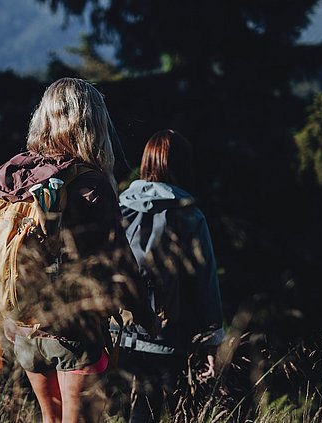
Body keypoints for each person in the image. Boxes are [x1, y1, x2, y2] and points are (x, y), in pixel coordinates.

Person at [0, 78, 154, 423]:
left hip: (24, 329)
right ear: (91, 122)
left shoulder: (21, 175)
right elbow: (118, 258)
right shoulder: (91, 184)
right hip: (75, 331)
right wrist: (144, 313)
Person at [118, 129, 224, 423]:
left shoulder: (120, 207)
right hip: (169, 336)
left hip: (120, 334)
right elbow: (205, 282)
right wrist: (212, 340)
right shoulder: (189, 215)